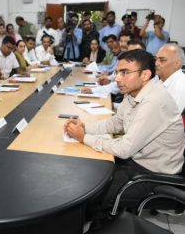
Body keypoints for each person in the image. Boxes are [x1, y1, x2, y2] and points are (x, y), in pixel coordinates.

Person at [65, 49, 184, 215]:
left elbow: (124, 149)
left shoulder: (154, 101)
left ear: (145, 75)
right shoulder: (134, 92)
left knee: (91, 194)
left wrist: (84, 137)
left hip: (153, 173)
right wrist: (84, 128)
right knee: (87, 172)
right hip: (138, 160)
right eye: (117, 72)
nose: (117, 78)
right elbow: (115, 123)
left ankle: (99, 222)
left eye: (125, 72)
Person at [155, 44, 185, 112]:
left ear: (176, 64)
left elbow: (173, 118)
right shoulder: (159, 80)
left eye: (162, 60)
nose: (156, 63)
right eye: (156, 59)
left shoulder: (181, 86)